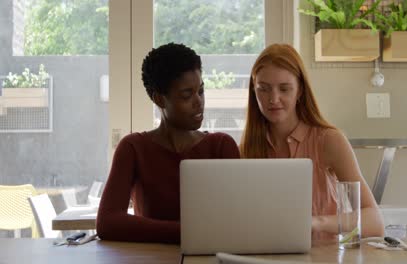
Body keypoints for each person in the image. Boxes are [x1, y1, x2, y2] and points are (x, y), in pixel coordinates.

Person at [97, 43, 240, 243]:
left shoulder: (221, 146)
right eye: (186, 95)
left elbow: (239, 221)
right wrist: (190, 233)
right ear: (159, 99)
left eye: (201, 91)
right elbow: (107, 223)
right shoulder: (133, 148)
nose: (199, 101)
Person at [240, 43, 384, 241]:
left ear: (300, 90)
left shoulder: (329, 140)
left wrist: (317, 222)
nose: (273, 99)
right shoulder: (246, 148)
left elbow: (374, 221)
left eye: (284, 89)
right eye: (263, 89)